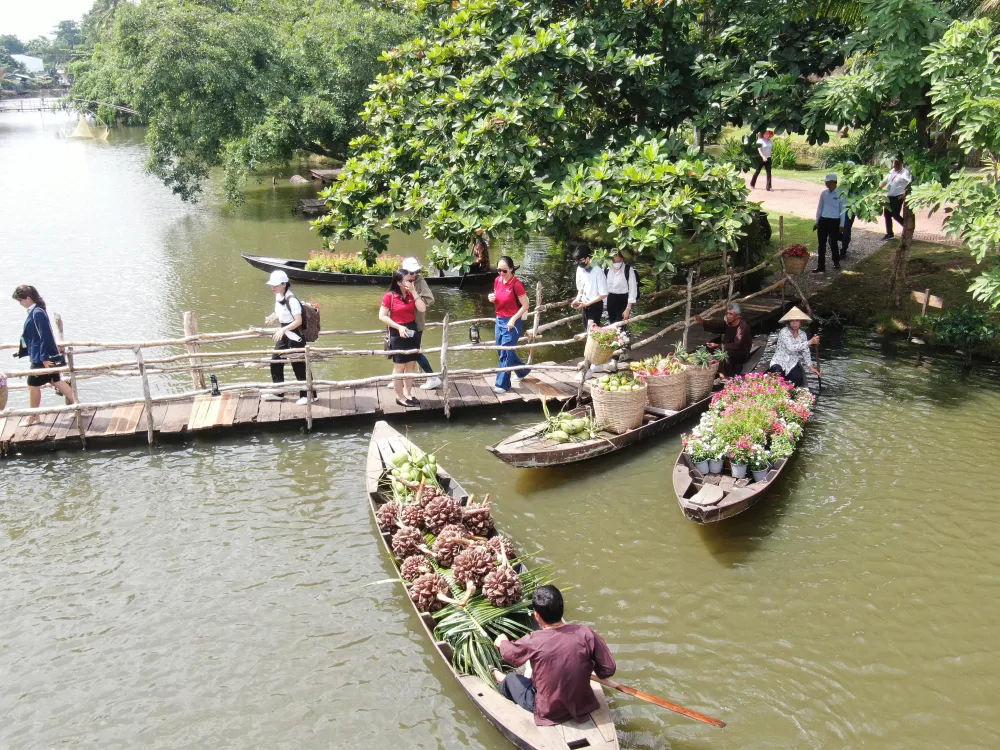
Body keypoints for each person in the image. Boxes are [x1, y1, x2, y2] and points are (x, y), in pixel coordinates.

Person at [492, 585, 616, 726]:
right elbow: (608, 669)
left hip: (549, 710)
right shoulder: (586, 633)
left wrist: (502, 641)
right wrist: (587, 664)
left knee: (511, 679)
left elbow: (510, 655)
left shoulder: (534, 640)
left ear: (537, 615)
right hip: (584, 704)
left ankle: (498, 680)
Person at [11, 285, 76, 420]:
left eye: (20, 301)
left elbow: (45, 336)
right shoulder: (36, 311)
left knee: (32, 385)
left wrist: (44, 358)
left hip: (42, 357)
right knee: (55, 380)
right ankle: (78, 406)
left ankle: (34, 416)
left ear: (28, 298)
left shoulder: (37, 313)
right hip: (42, 355)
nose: (20, 304)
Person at [262, 270, 315, 405]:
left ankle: (309, 395)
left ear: (284, 284)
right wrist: (272, 318)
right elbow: (280, 311)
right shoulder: (279, 297)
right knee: (275, 360)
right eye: (272, 285)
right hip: (284, 333)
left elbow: (298, 321)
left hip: (295, 334)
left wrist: (283, 329)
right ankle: (279, 392)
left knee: (298, 364)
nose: (272, 287)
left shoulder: (292, 300)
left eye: (276, 285)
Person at [379, 268, 427, 407]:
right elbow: (382, 316)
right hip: (397, 330)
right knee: (399, 366)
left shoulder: (411, 294)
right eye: (409, 280)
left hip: (412, 329)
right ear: (399, 282)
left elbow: (422, 309)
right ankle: (399, 396)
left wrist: (413, 291)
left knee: (411, 364)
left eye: (412, 280)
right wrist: (399, 327)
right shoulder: (390, 296)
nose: (412, 282)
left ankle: (408, 393)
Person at [488, 255, 531, 393]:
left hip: (512, 322)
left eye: (504, 270)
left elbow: (525, 305)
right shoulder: (497, 281)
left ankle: (502, 384)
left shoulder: (516, 284)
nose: (501, 273)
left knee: (506, 352)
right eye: (499, 270)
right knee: (501, 350)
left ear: (512, 269)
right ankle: (523, 371)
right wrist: (491, 298)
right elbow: (498, 298)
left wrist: (513, 319)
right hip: (499, 319)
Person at [398, 257, 441, 391]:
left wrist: (414, 295)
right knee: (400, 351)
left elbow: (430, 300)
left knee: (414, 351)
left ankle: (433, 377)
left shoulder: (419, 281)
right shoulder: (399, 279)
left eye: (416, 271)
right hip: (400, 322)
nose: (414, 275)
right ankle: (398, 378)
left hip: (415, 322)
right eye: (411, 272)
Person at [767, 306, 821, 387]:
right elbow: (791, 347)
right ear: (789, 321)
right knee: (777, 377)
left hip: (792, 363)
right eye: (792, 320)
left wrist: (811, 367)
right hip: (779, 361)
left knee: (797, 380)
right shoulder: (784, 332)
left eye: (797, 320)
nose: (794, 323)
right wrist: (810, 342)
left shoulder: (803, 334)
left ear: (801, 322)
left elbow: (805, 351)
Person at [694, 302, 752, 377]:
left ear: (737, 316)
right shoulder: (729, 323)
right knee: (706, 347)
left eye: (731, 314)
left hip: (740, 353)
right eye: (727, 313)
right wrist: (702, 322)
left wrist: (717, 345)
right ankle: (708, 370)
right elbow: (718, 327)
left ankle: (727, 376)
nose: (728, 316)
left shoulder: (742, 327)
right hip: (727, 348)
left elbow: (736, 345)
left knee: (724, 353)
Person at [812, 173, 846, 273]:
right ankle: (821, 266)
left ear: (833, 182)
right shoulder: (824, 193)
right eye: (826, 182)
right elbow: (820, 208)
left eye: (827, 182)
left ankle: (836, 261)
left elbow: (843, 210)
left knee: (833, 242)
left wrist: (842, 225)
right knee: (821, 244)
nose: (826, 184)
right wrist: (817, 221)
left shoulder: (841, 194)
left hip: (835, 221)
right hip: (823, 220)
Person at [571, 246, 607, 331]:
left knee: (593, 331)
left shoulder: (598, 271)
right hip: (584, 303)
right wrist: (577, 299)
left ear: (588, 258)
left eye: (581, 260)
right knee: (586, 329)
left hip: (595, 304)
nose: (579, 263)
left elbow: (603, 294)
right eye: (577, 261)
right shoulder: (579, 269)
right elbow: (581, 289)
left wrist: (588, 303)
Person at [881, 157, 911, 240]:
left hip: (898, 197)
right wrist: (877, 191)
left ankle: (908, 229)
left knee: (895, 215)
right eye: (894, 164)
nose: (895, 166)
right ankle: (889, 234)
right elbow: (884, 182)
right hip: (889, 197)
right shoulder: (891, 171)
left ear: (901, 163)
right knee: (887, 215)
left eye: (897, 164)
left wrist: (905, 194)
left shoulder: (905, 172)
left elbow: (910, 183)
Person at [603, 251, 638, 325]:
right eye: (615, 256)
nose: (617, 258)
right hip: (611, 299)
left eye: (619, 256)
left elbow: (633, 290)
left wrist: (628, 309)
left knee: (620, 324)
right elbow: (603, 287)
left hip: (623, 300)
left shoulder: (628, 270)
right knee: (612, 324)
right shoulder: (607, 269)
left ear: (622, 258)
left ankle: (623, 335)